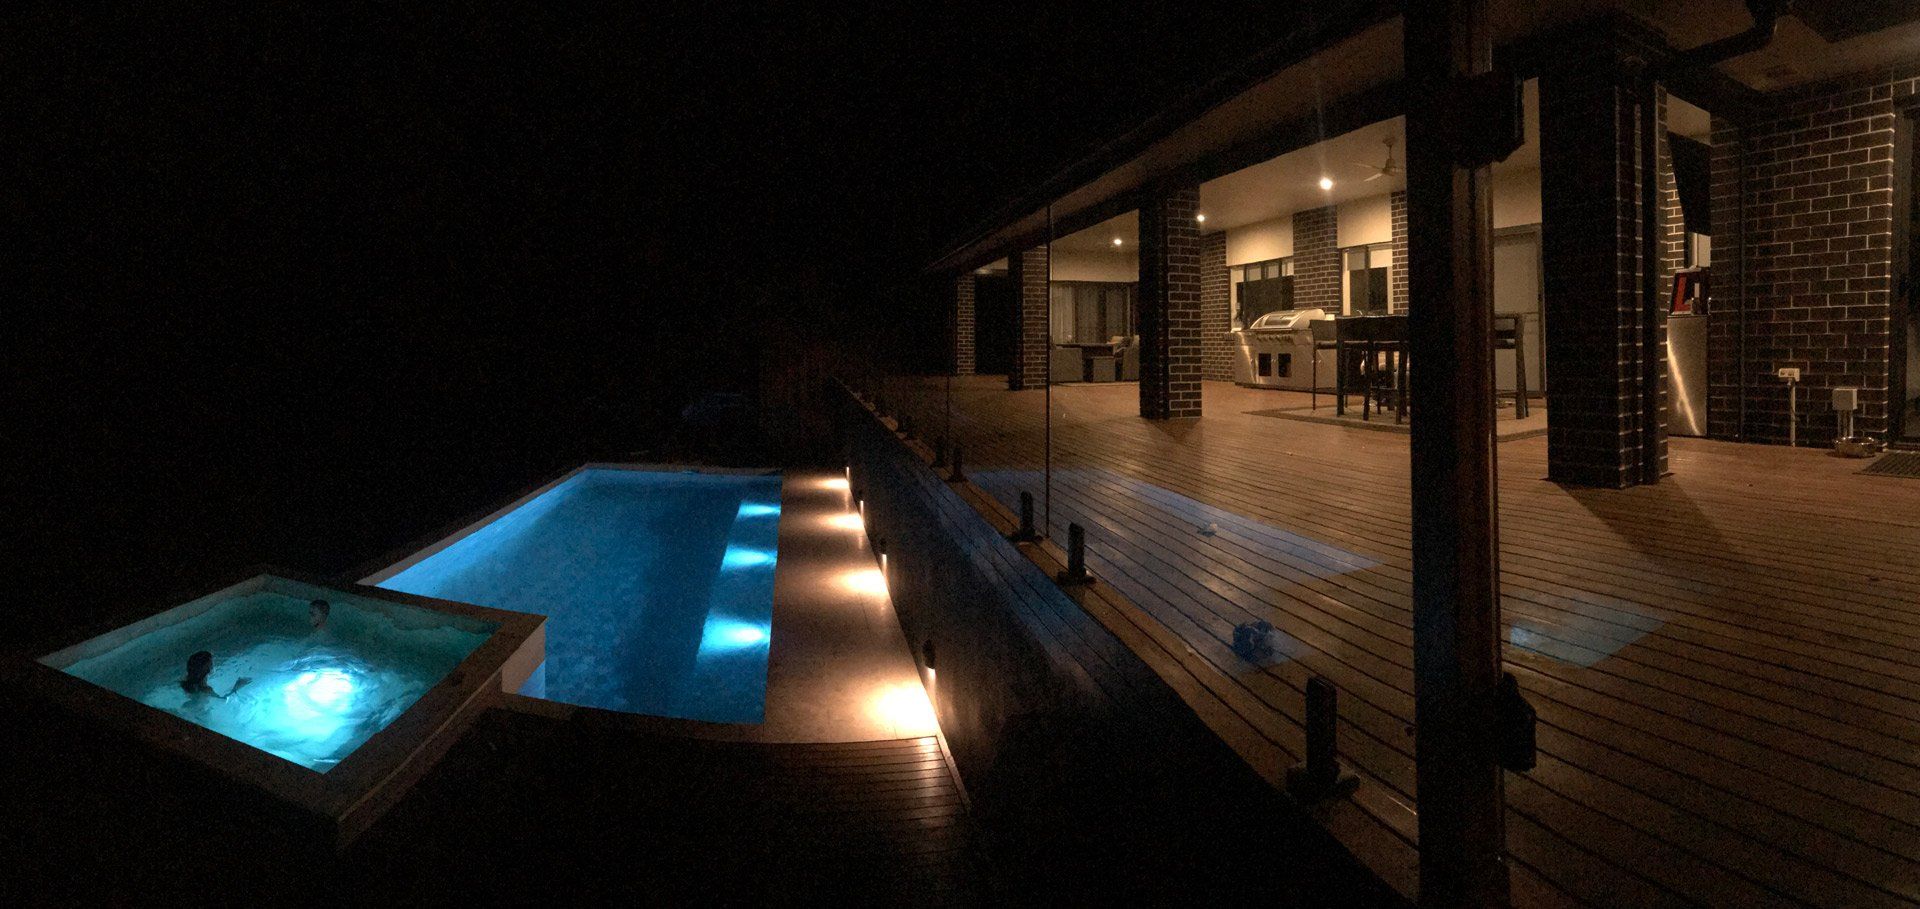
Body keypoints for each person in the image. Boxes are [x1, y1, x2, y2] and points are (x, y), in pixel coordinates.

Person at [180, 650, 250, 699]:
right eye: (212, 663)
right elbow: (222, 699)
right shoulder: (206, 689)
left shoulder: (183, 684)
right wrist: (236, 687)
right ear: (209, 670)